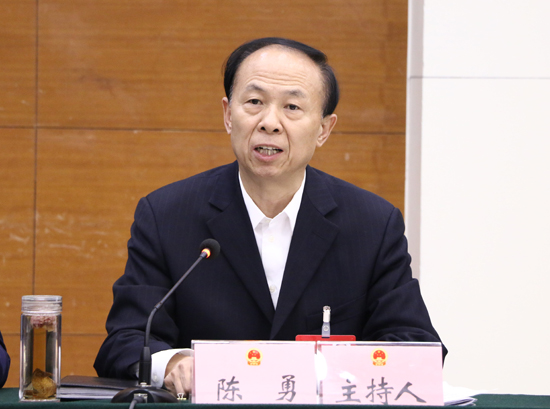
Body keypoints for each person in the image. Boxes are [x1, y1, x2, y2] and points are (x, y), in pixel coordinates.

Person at [94, 37, 446, 396]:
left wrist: (333, 371)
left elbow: (415, 344)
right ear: (228, 115)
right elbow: (126, 339)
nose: (270, 123)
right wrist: (172, 363)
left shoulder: (372, 223)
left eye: (292, 106)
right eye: (254, 102)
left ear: (324, 129)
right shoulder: (167, 215)